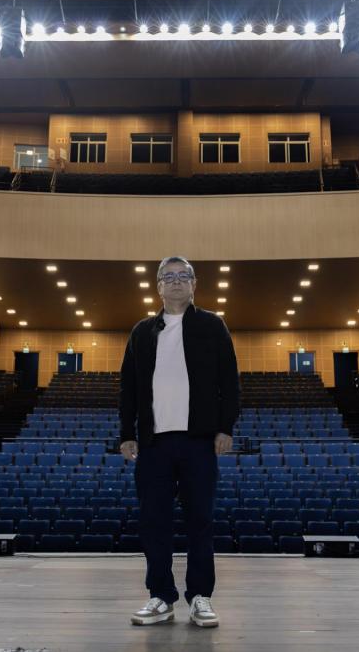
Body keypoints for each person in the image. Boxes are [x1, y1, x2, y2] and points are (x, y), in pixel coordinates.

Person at [119, 255, 241, 628]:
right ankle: (161, 596)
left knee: (200, 520)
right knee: (154, 521)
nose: (175, 282)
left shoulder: (212, 326)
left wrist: (225, 428)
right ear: (158, 286)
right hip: (154, 442)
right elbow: (128, 387)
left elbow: (229, 383)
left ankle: (200, 596)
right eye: (167, 277)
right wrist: (126, 433)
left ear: (194, 283)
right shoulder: (142, 331)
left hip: (198, 440)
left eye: (182, 276)